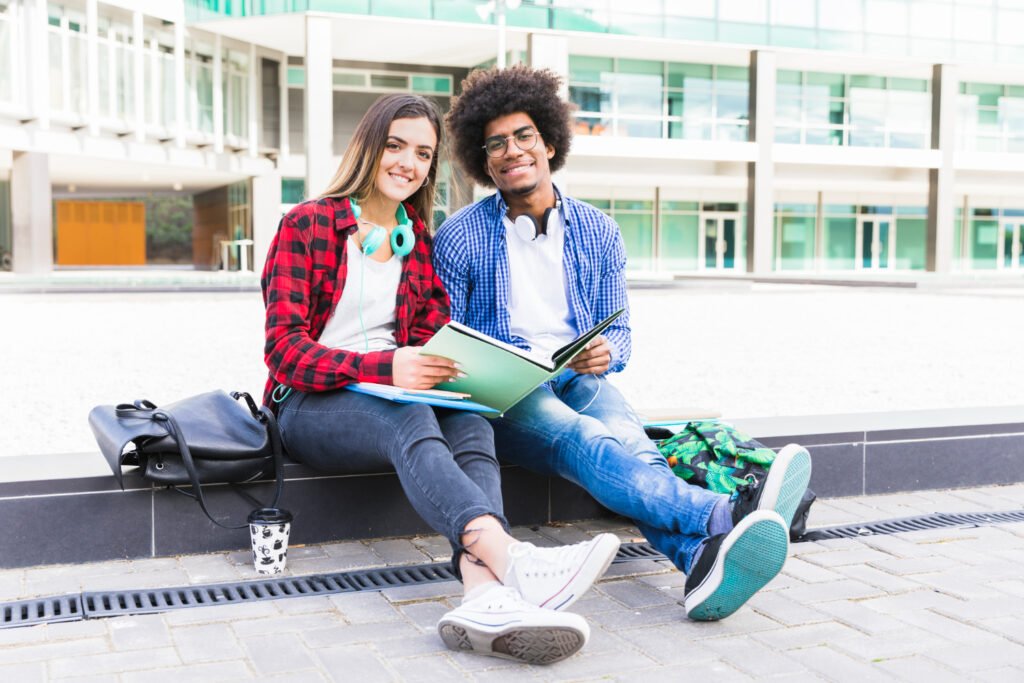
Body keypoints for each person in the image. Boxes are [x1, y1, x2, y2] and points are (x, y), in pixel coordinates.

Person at [434, 66, 813, 621]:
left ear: (549, 142)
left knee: (634, 449)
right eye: (495, 144)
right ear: (482, 159)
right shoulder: (459, 235)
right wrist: (503, 364)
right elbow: (450, 346)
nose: (511, 151)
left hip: (582, 376)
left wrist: (608, 351)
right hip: (510, 396)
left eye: (523, 136)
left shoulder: (599, 230)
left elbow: (622, 331)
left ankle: (701, 561)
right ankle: (728, 512)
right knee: (584, 437)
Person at [260, 93, 620, 664]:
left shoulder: (416, 238)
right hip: (311, 403)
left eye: (423, 153)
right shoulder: (307, 223)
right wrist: (385, 365)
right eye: (395, 146)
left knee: (467, 413)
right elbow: (283, 352)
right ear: (368, 147)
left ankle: (484, 594)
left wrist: (465, 366)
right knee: (410, 412)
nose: (408, 162)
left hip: (392, 388)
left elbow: (432, 333)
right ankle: (511, 558)